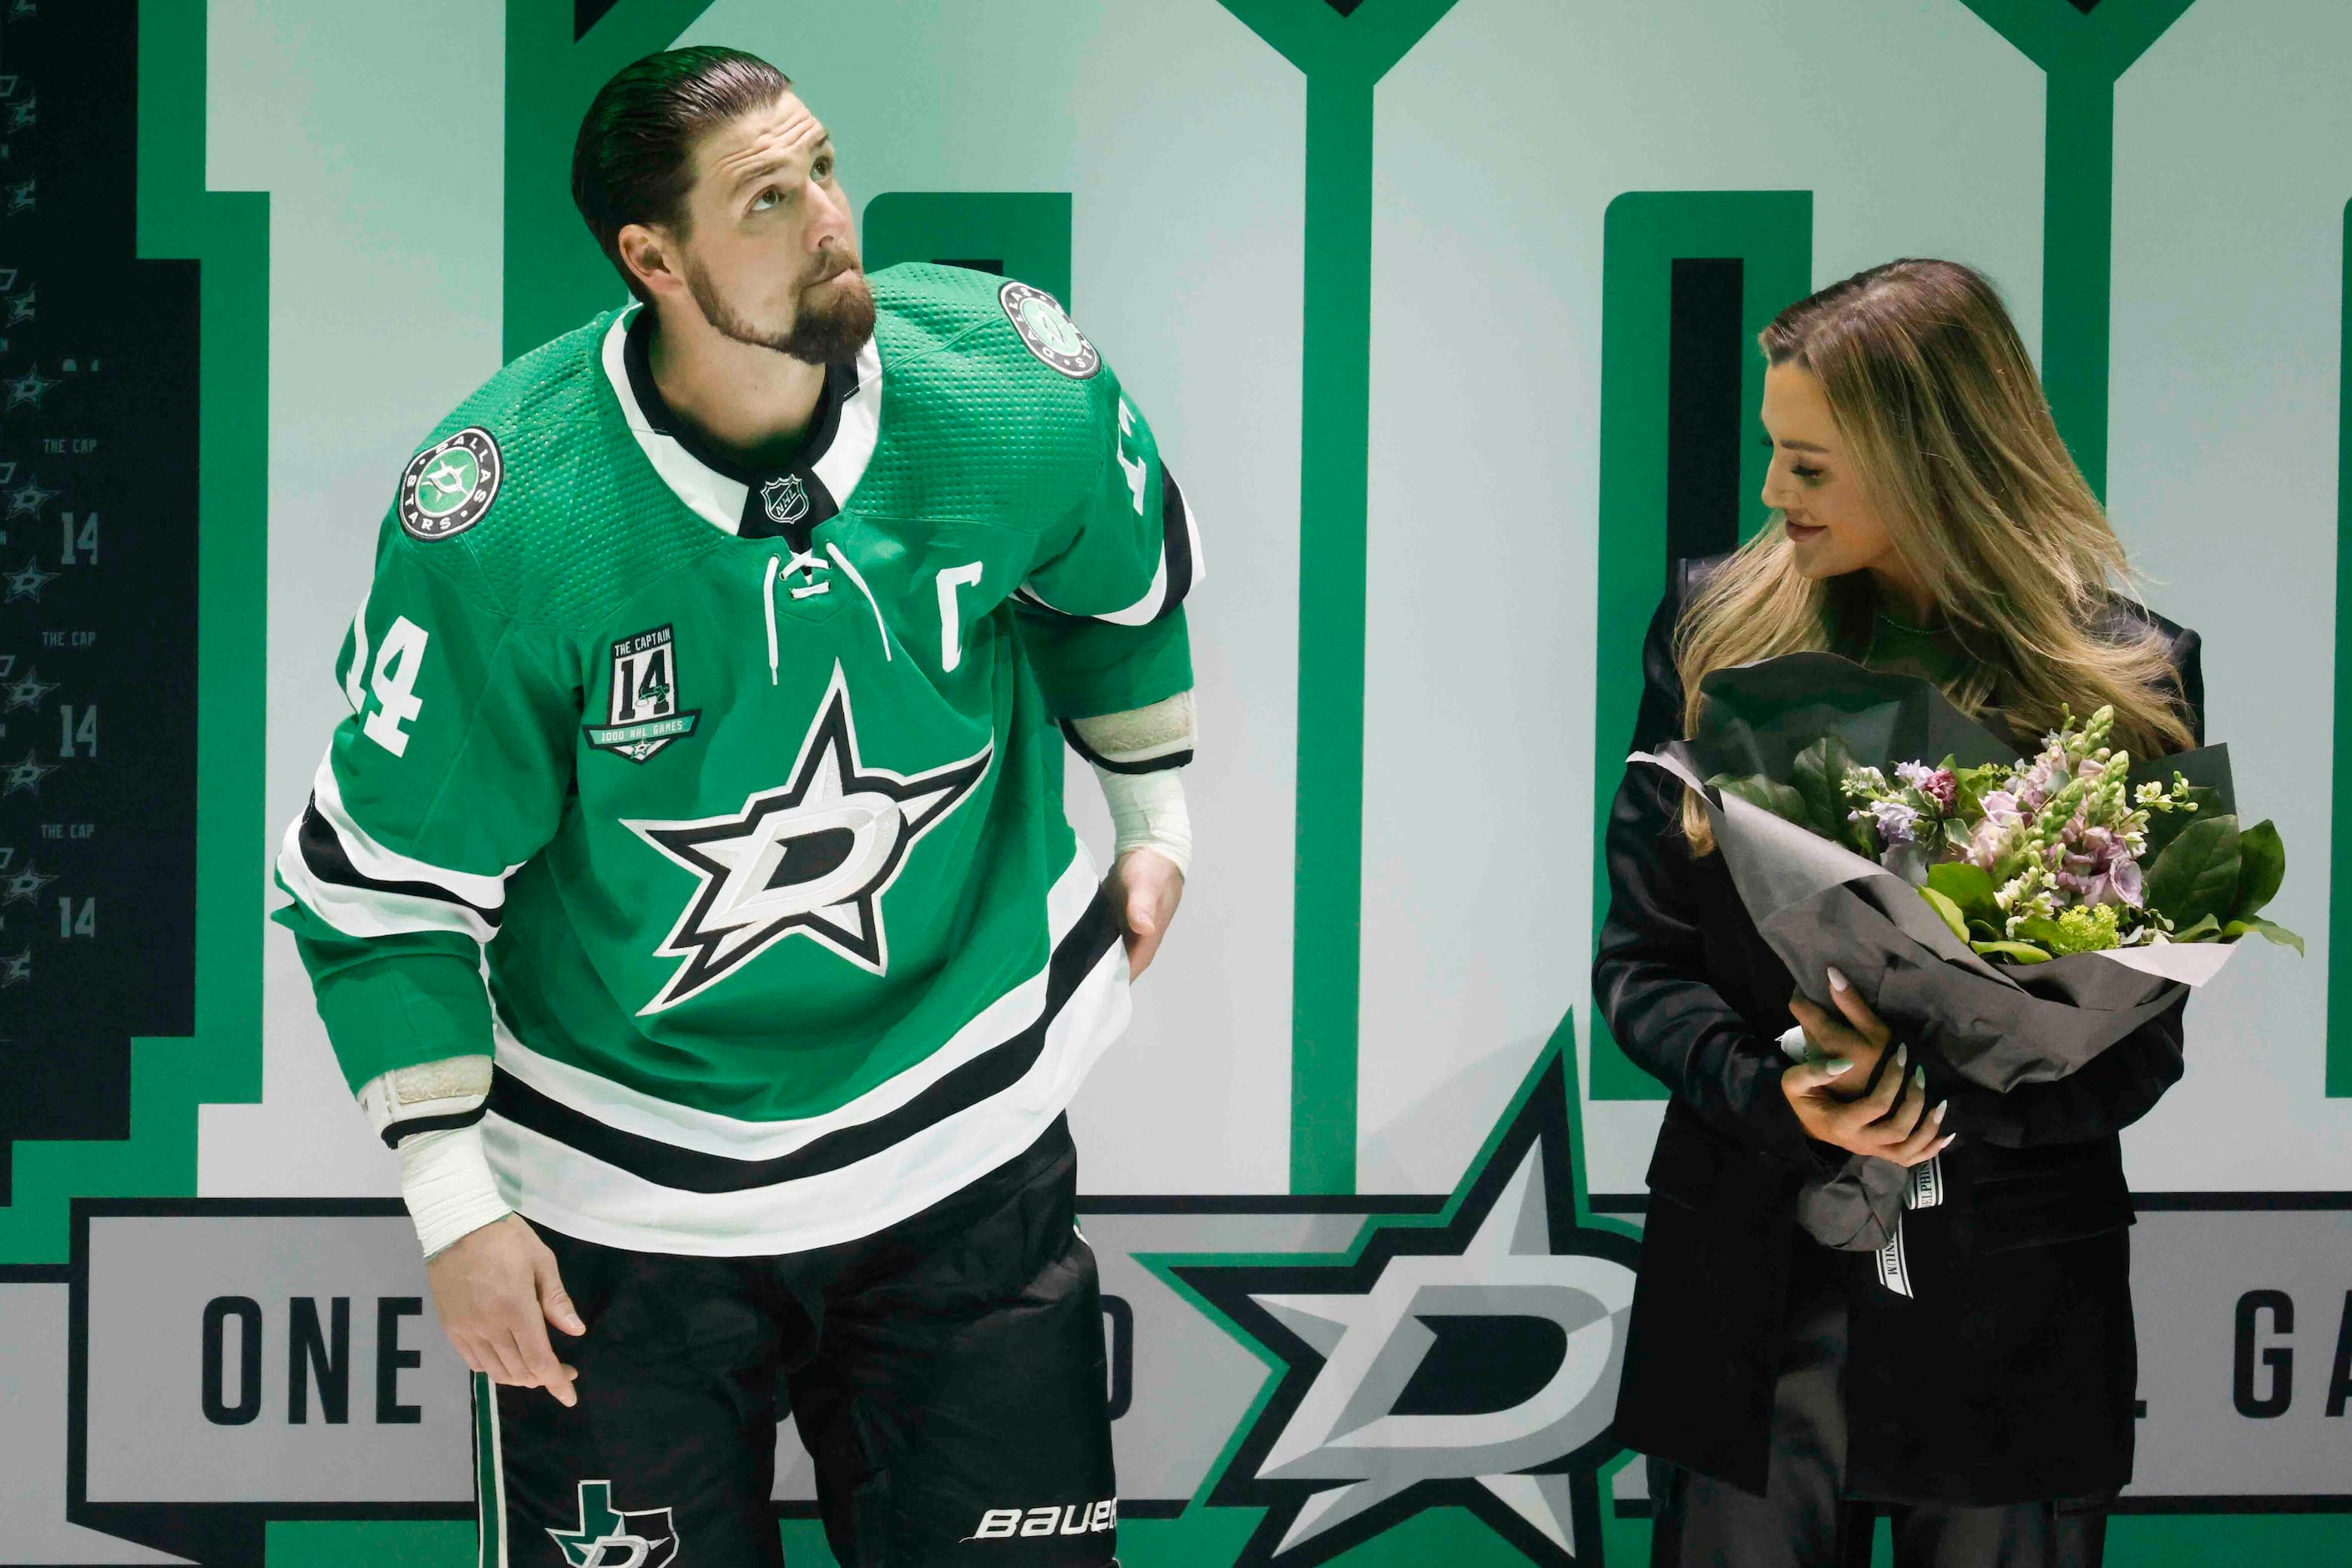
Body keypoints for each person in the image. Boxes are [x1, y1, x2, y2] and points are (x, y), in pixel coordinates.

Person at [273, 47, 1201, 1568]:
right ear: (651, 256)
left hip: (961, 1152)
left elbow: (1116, 579)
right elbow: (384, 896)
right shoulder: (509, 521)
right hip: (615, 1212)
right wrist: (453, 1202)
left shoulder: (1007, 378)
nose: (831, 218)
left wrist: (1155, 815)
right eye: (767, 200)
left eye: (823, 169)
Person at [1594, 259, 2203, 1568]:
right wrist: (1782, 1092)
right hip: (1748, 1299)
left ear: (1933, 459)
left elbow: (2142, 1038)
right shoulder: (1709, 628)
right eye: (1773, 452)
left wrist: (1940, 1106)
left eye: (1807, 467)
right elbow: (1640, 965)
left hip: (2017, 1324)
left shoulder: (2138, 672)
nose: (1770, 494)